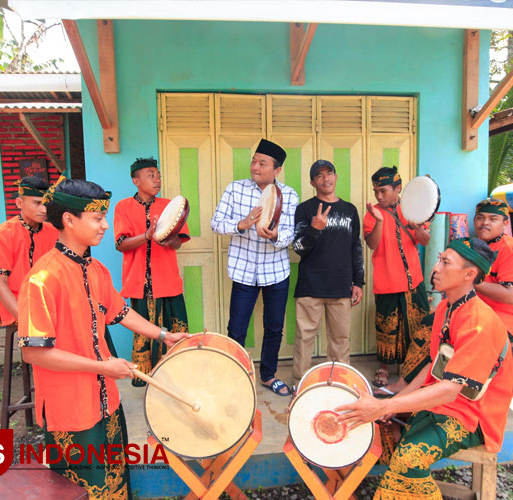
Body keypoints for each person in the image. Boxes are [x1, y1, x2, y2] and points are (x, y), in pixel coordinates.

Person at [18, 178, 188, 499]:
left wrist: (164, 335)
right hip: (70, 410)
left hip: (107, 402)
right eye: (97, 219)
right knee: (82, 491)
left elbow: (121, 312)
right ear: (69, 220)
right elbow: (35, 354)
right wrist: (102, 366)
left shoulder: (95, 269)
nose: (105, 227)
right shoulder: (41, 280)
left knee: (117, 484)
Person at [336, 237, 513, 500]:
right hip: (442, 402)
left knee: (408, 459)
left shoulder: (479, 323)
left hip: (473, 417)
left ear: (469, 274)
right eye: (439, 260)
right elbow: (434, 365)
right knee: (375, 426)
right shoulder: (446, 308)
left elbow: (451, 390)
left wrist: (386, 406)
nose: (435, 268)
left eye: (445, 263)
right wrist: (397, 400)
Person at [211, 138, 298, 396]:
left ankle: (268, 375)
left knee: (274, 327)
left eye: (262, 163)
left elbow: (292, 233)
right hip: (243, 271)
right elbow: (216, 223)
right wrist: (243, 223)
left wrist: (275, 237)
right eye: (254, 161)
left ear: (277, 170)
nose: (255, 166)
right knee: (236, 327)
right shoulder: (235, 189)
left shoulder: (289, 194)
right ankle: (235, 374)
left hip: (276, 272)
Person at [114, 157, 190, 386]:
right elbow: (120, 244)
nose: (157, 179)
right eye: (150, 175)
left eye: (158, 174)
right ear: (136, 180)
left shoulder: (169, 206)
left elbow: (180, 241)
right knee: (145, 334)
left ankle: (177, 377)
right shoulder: (123, 207)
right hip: (139, 284)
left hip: (168, 282)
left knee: (177, 330)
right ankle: (147, 379)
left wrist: (169, 240)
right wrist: (146, 236)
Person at [291, 159, 364, 386]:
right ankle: (301, 383)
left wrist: (358, 282)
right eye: (320, 175)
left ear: (336, 176)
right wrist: (314, 229)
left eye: (329, 173)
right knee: (304, 338)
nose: (326, 178)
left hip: (341, 286)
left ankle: (339, 383)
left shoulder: (350, 210)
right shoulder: (304, 209)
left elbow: (356, 247)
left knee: (340, 340)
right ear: (312, 182)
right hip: (310, 286)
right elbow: (298, 248)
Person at [364, 166, 433, 393]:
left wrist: (416, 226)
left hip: (414, 282)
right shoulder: (372, 214)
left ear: (398, 188)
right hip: (386, 282)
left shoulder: (413, 210)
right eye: (376, 191)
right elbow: (372, 244)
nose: (379, 196)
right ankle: (384, 367)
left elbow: (424, 240)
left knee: (418, 325)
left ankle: (412, 368)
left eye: (383, 190)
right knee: (386, 326)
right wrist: (380, 222)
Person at [0, 176, 58, 327]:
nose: (43, 209)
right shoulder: (1, 235)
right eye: (37, 203)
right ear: (19, 203)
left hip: (50, 301)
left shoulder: (54, 232)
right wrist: (24, 317)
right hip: (17, 304)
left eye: (46, 204)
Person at [472, 198, 513, 340]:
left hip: (510, 320)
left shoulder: (512, 251)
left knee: (465, 333)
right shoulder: (473, 245)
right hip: (479, 312)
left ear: (505, 224)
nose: (485, 223)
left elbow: (512, 296)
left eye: (493, 219)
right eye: (480, 218)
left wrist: (471, 281)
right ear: (474, 221)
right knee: (431, 322)